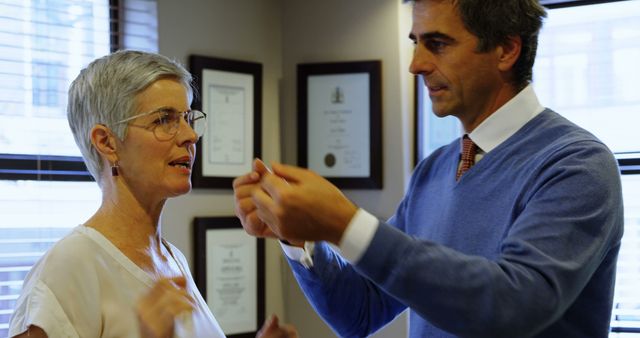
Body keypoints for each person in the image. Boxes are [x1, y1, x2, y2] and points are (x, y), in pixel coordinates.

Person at [233, 0, 624, 337]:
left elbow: (512, 307)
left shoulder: (576, 165)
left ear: (506, 49)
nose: (416, 65)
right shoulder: (434, 170)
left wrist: (347, 224)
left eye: (437, 44)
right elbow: (360, 313)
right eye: (416, 43)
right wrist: (299, 237)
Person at [9, 50, 297, 338]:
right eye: (164, 120)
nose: (189, 136)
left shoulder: (173, 259)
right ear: (107, 142)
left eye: (187, 118)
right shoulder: (69, 266)